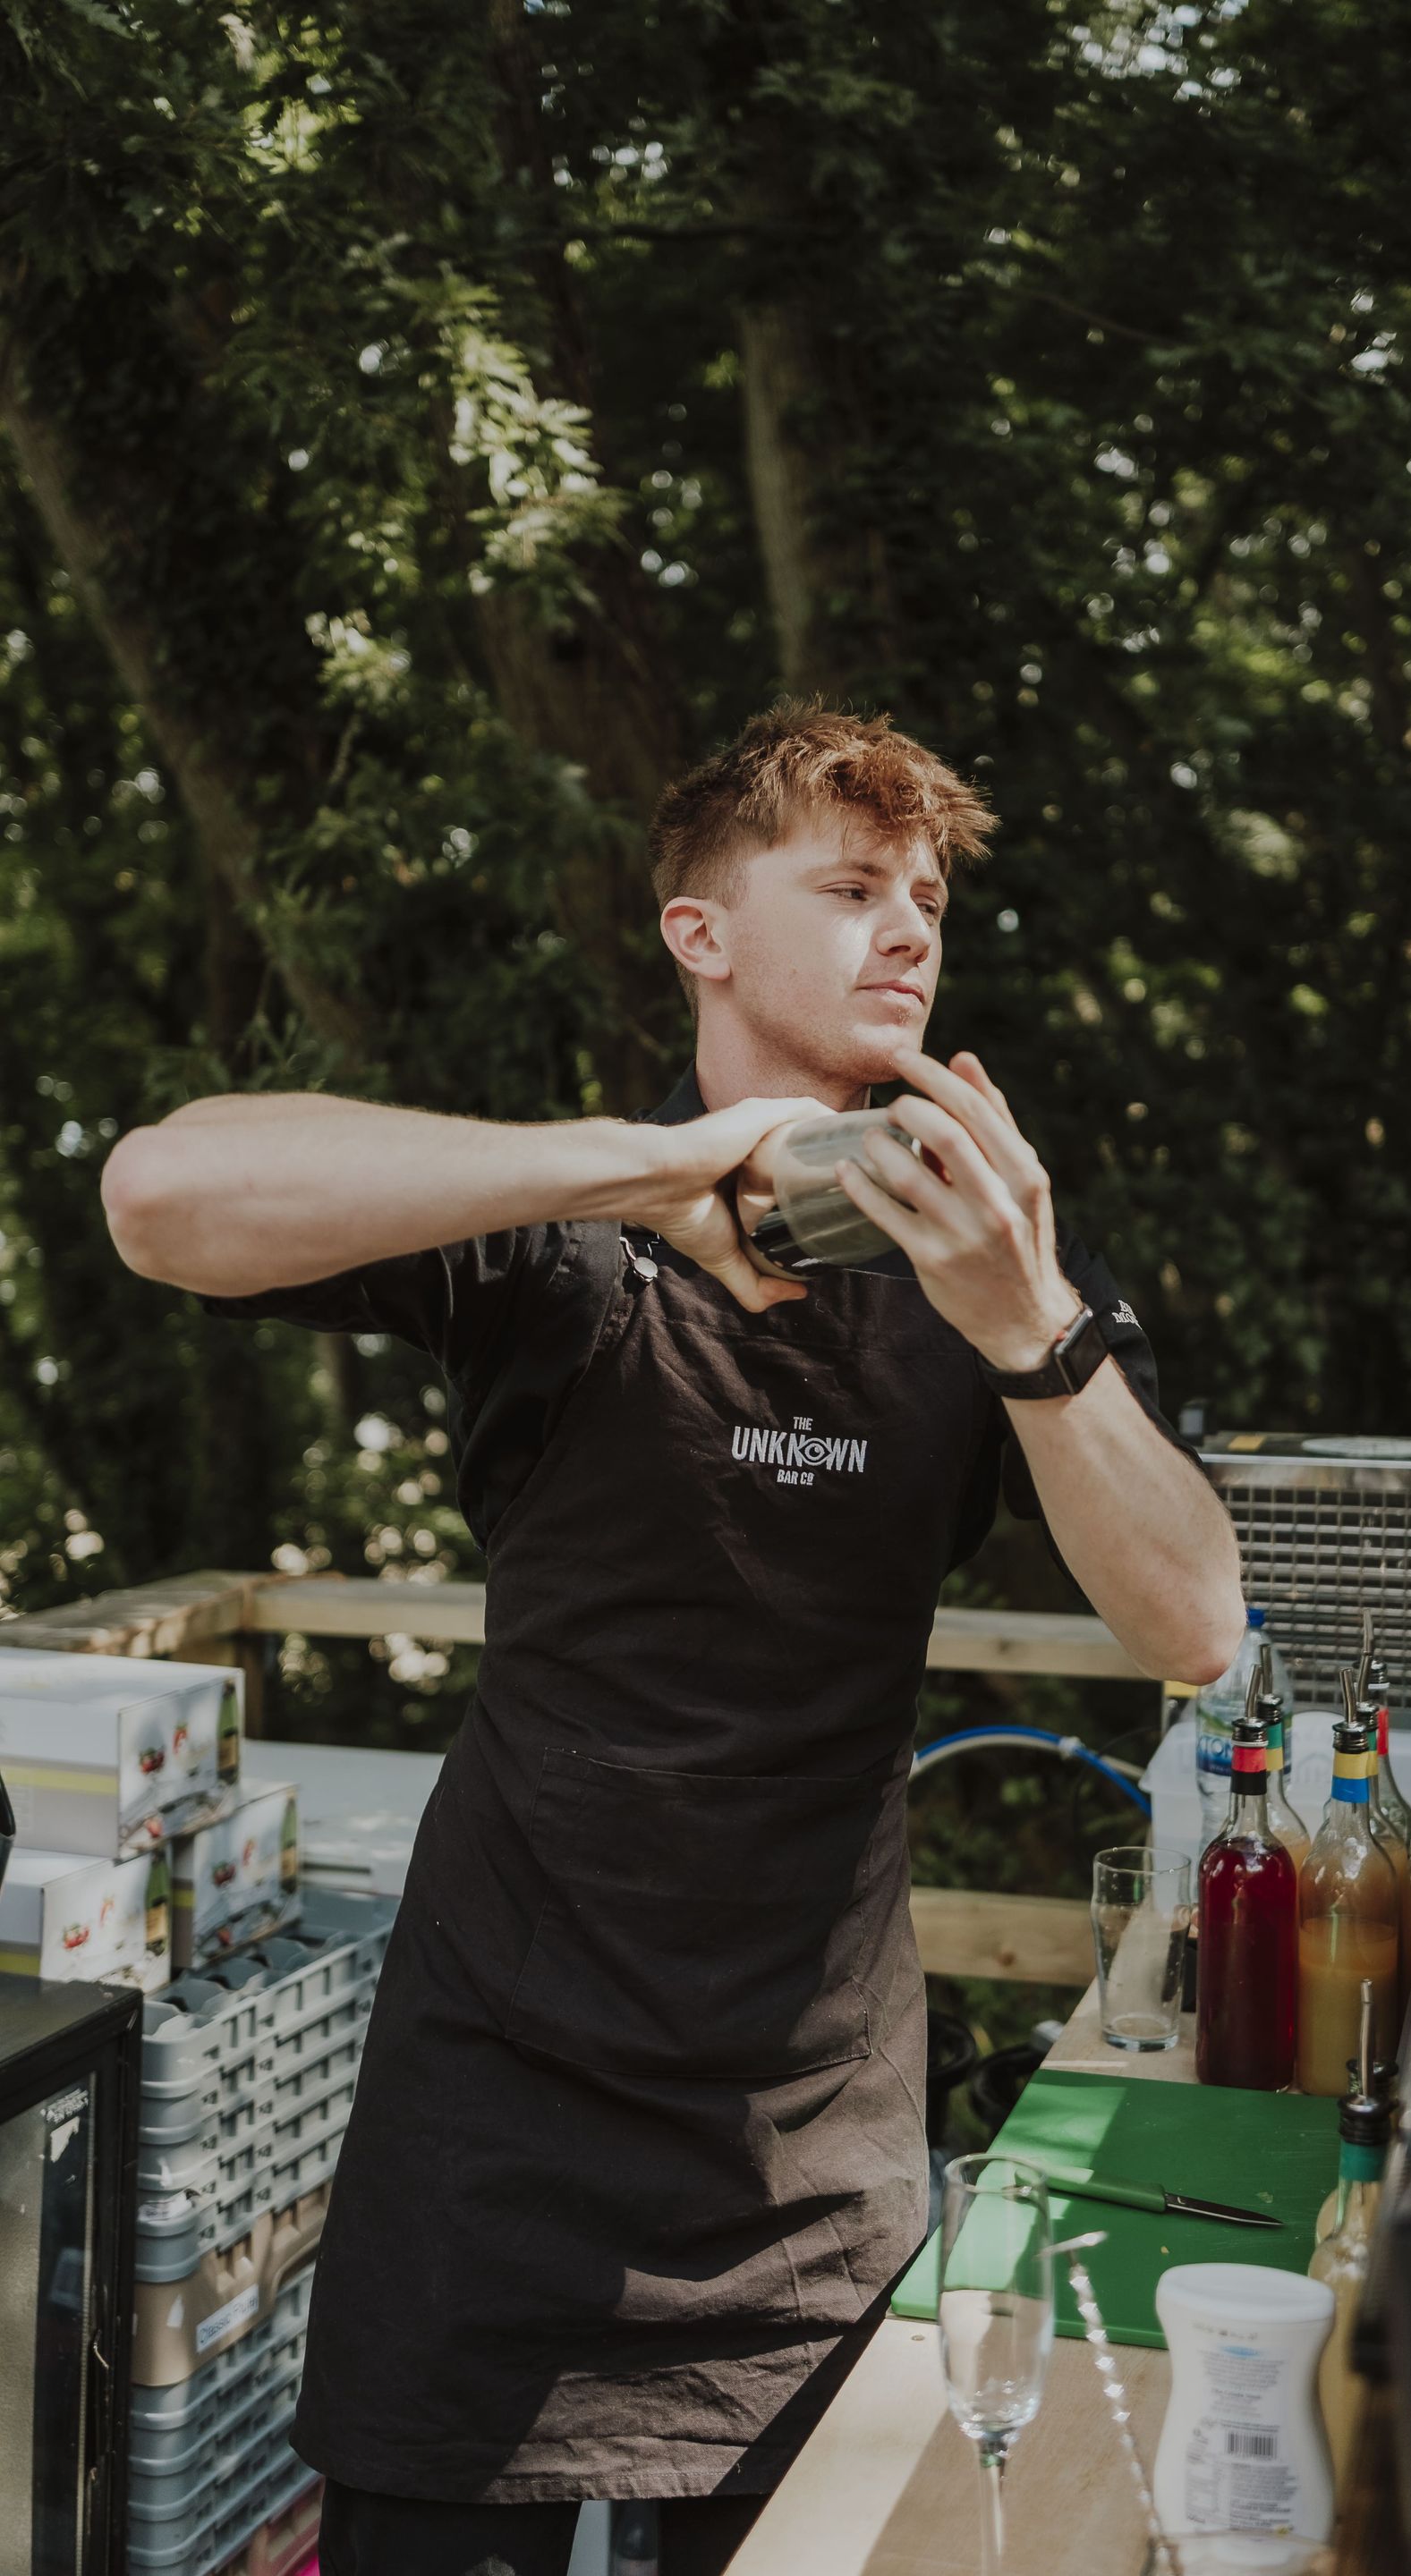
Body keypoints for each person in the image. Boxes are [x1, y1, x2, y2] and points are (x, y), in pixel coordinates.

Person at [103, 703, 1244, 2576]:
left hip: (805, 2170)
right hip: (492, 2142)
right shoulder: (565, 1229)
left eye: (930, 899)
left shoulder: (986, 1261)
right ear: (697, 933)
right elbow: (162, 1196)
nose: (909, 931)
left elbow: (1197, 1621)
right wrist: (629, 1174)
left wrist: (1030, 1317)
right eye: (853, 885)